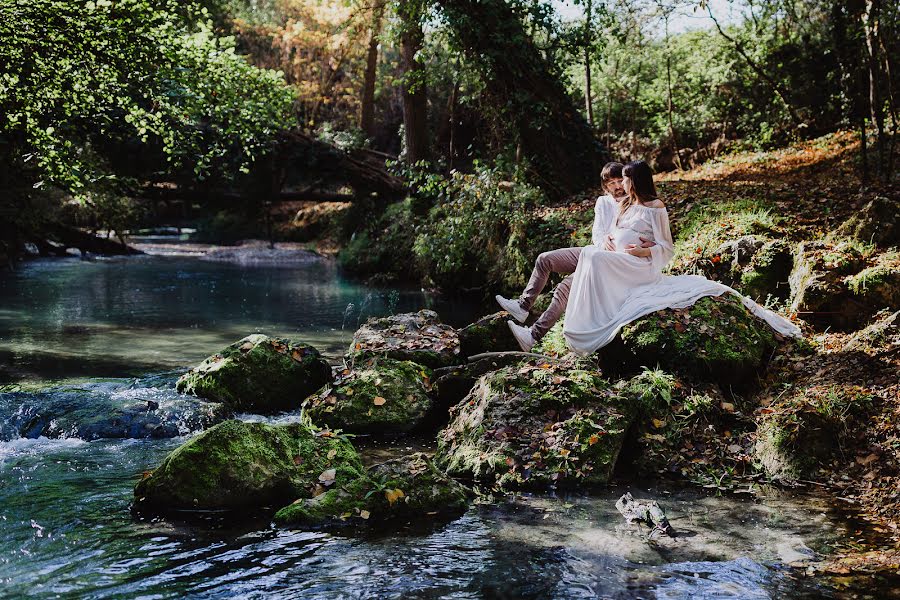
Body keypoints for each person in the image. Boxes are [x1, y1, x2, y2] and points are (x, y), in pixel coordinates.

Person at [562, 160, 801, 354]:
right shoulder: (624, 205)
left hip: (640, 263)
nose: (620, 184)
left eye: (623, 178)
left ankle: (596, 320)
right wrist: (610, 239)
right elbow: (613, 231)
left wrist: (646, 250)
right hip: (621, 259)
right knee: (590, 253)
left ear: (634, 181)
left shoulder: (656, 206)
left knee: (593, 259)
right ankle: (592, 318)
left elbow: (667, 247)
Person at [494, 162, 656, 351]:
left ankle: (533, 335)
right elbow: (598, 233)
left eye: (620, 180)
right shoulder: (603, 202)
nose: (617, 186)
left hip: (612, 263)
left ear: (628, 181)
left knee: (564, 288)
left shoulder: (636, 202)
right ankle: (523, 306)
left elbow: (648, 232)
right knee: (544, 259)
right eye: (611, 183)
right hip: (595, 251)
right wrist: (603, 240)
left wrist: (649, 245)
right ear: (605, 186)